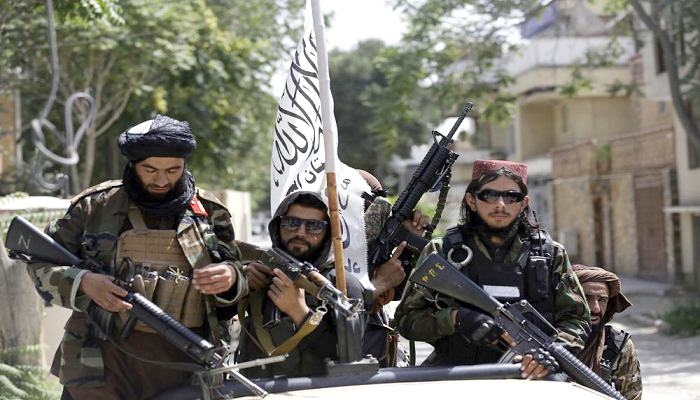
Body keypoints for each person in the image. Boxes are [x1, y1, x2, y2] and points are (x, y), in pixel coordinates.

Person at [26, 115, 247, 399]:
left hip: (187, 368)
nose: (162, 180)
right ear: (132, 164)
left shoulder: (209, 212)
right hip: (101, 366)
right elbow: (40, 262)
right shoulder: (96, 206)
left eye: (173, 170)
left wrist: (230, 278)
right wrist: (83, 282)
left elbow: (238, 278)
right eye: (150, 169)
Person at [395, 159, 590, 379]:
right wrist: (457, 318)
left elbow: (577, 319)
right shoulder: (444, 252)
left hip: (529, 380)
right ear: (471, 200)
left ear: (524, 203)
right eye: (489, 195)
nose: (500, 204)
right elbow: (406, 320)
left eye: (511, 196)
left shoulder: (550, 255)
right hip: (457, 379)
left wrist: (547, 356)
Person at [236, 191, 368, 378]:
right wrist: (239, 280)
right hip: (255, 387)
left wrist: (301, 314)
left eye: (314, 226)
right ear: (278, 225)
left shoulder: (343, 286)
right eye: (291, 222)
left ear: (328, 233)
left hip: (315, 390)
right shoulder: (260, 271)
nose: (300, 232)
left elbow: (349, 359)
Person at [573, 265, 642, 400]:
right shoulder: (545, 340)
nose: (595, 308)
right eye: (586, 298)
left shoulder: (617, 345)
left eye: (602, 300)